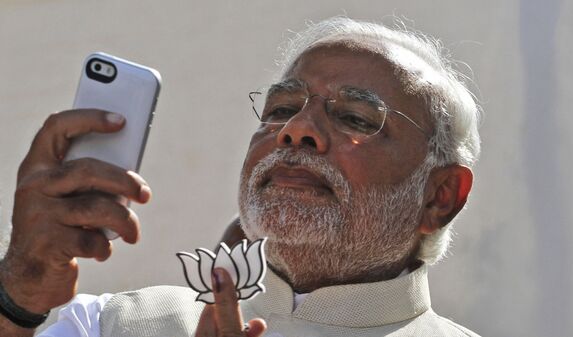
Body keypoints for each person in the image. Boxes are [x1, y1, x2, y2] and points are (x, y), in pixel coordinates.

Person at [0, 17, 481, 337]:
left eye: (355, 117)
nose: (296, 131)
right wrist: (22, 289)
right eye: (282, 109)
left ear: (440, 196)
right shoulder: (111, 324)